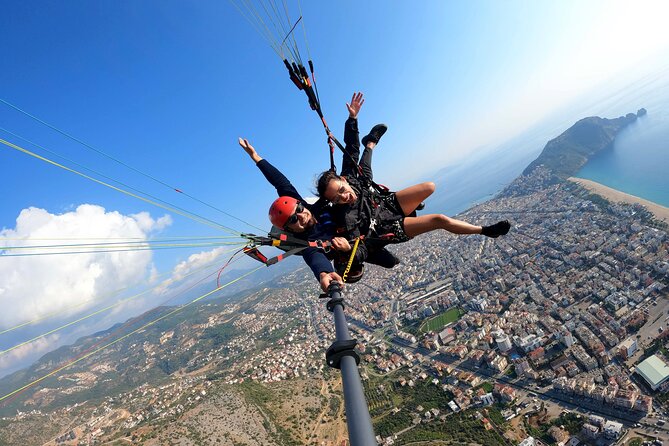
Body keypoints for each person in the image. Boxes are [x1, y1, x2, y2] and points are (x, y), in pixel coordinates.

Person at [315, 103, 511, 267]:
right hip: (387, 227)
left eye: (341, 190)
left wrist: (352, 119)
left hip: (384, 203)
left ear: (343, 180)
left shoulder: (349, 177)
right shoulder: (346, 218)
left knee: (429, 187)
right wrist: (349, 249)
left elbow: (350, 149)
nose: (343, 197)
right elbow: (361, 249)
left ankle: (370, 143)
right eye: (336, 199)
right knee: (439, 220)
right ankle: (486, 231)